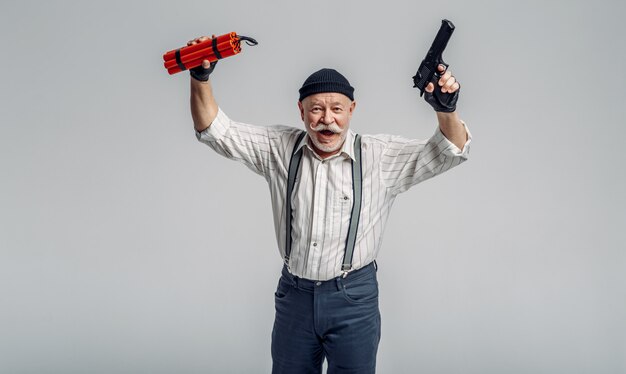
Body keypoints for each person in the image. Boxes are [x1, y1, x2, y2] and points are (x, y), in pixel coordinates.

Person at [186, 35, 471, 374]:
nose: (327, 119)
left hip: (354, 298)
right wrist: (199, 79)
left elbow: (449, 151)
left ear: (351, 110)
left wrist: (445, 109)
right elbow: (215, 129)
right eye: (316, 109)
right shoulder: (279, 148)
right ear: (302, 111)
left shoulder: (377, 156)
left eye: (337, 109)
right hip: (294, 297)